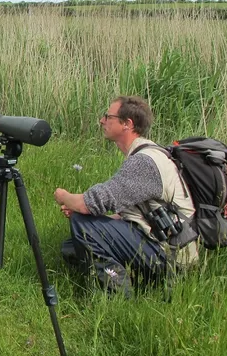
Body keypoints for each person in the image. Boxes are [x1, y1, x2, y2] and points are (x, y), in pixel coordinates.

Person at [54, 96, 199, 298]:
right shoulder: (145, 154)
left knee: (84, 225)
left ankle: (117, 298)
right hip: (166, 244)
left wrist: (63, 196)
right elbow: (131, 216)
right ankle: (136, 279)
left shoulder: (144, 162)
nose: (102, 121)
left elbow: (90, 203)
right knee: (72, 247)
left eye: (108, 117)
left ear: (127, 124)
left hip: (171, 255)